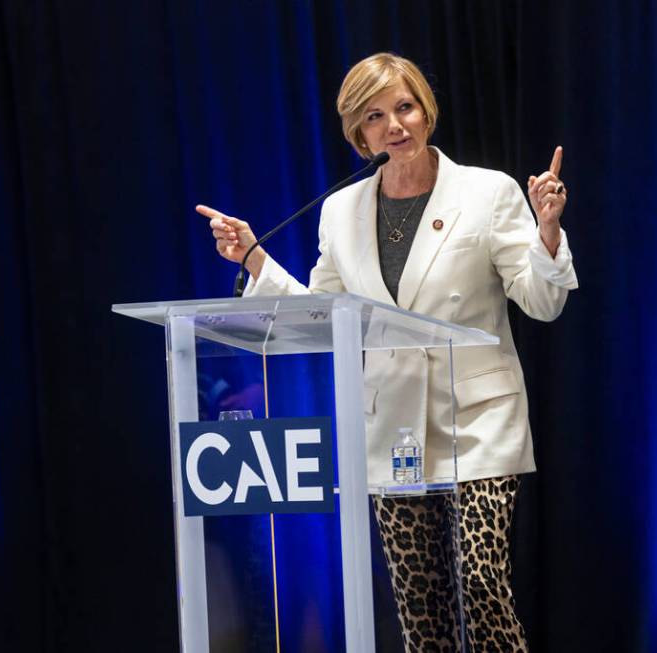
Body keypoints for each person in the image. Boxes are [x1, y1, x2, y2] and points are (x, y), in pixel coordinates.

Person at [197, 52, 577, 652]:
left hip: (478, 421)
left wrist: (547, 233)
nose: (394, 125)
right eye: (375, 116)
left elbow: (541, 302)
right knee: (419, 606)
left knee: (480, 584)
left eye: (404, 107)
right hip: (393, 431)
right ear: (358, 133)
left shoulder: (487, 192)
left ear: (426, 110)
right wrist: (253, 258)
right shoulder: (340, 211)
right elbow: (320, 319)